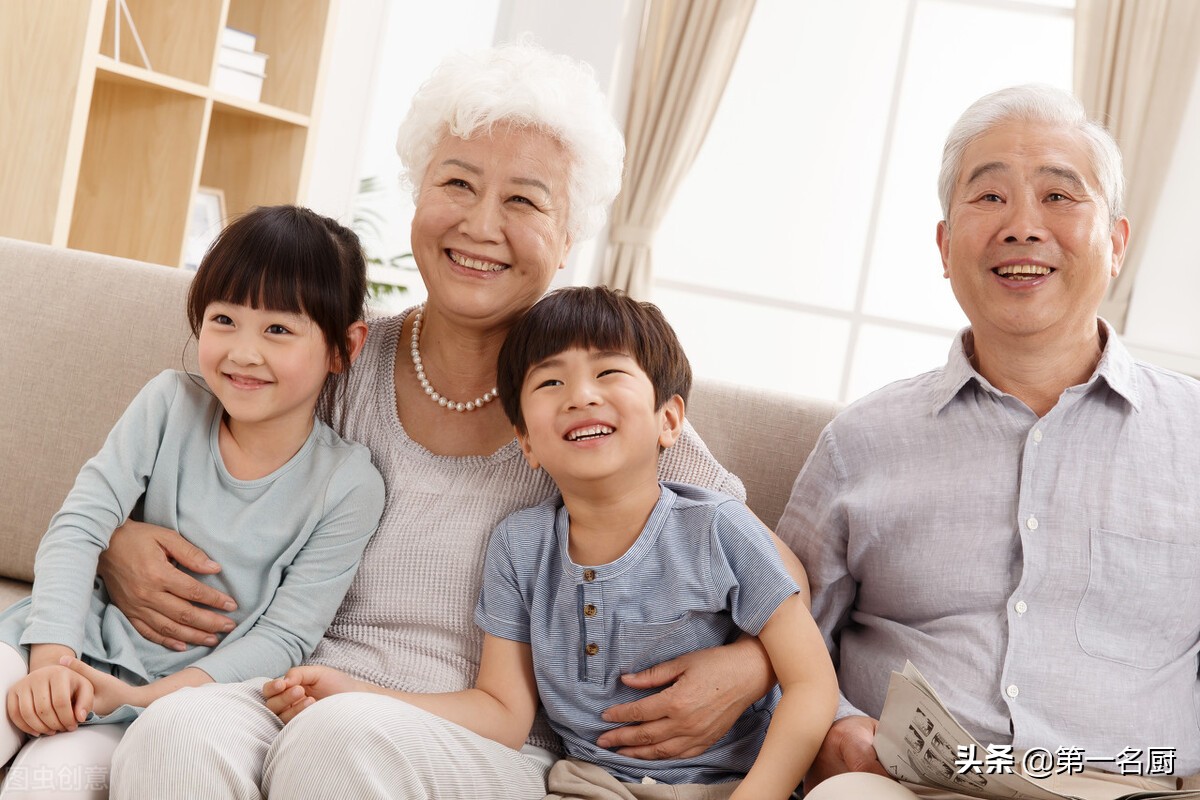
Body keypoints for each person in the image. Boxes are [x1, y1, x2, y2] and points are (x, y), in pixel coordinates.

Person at [102, 43, 793, 799]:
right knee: (173, 732)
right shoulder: (336, 359)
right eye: (456, 183)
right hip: (288, 684)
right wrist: (116, 542)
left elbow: (768, 564)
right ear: (418, 197)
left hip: (486, 737)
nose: (481, 222)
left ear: (568, 240)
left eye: (525, 200)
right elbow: (177, 462)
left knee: (342, 740)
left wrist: (750, 665)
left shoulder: (591, 410)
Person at [780, 83, 1200, 800]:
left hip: (1127, 788)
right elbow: (781, 638)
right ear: (945, 247)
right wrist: (838, 728)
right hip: (901, 786)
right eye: (990, 197)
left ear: (1117, 243)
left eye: (1060, 197)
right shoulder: (862, 440)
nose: (1023, 226)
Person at [262, 286, 838, 800]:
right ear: (526, 443)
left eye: (609, 373)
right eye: (551, 381)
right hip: (584, 786)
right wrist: (356, 692)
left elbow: (812, 684)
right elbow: (501, 712)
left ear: (669, 421)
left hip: (731, 787)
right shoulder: (520, 548)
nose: (580, 395)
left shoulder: (717, 529)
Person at [0, 205, 384, 797]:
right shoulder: (169, 404)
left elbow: (283, 639)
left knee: (42, 786)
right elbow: (80, 526)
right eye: (224, 319)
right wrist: (51, 663)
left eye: (278, 329)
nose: (243, 352)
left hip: (162, 698)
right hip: (55, 640)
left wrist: (138, 699)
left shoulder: (349, 485)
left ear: (344, 347)